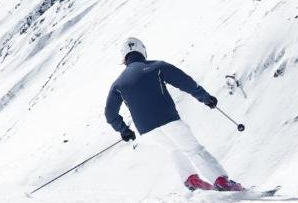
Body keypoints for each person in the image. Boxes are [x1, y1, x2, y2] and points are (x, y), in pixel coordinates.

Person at [104, 37, 244, 191]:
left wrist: (124, 130)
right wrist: (205, 98)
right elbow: (184, 82)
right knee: (193, 149)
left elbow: (110, 113)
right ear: (142, 50)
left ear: (124, 58)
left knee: (174, 149)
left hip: (147, 131)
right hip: (168, 120)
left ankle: (191, 179)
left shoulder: (118, 84)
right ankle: (221, 181)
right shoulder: (156, 66)